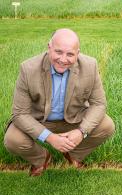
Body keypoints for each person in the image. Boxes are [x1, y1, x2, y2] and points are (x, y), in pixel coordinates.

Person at [4, 28, 115, 176]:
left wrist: (81, 132)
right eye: (58, 52)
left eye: (70, 54)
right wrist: (49, 137)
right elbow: (19, 113)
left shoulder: (90, 65)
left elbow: (99, 104)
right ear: (49, 47)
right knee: (12, 139)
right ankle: (41, 159)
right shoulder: (28, 69)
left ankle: (73, 155)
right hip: (41, 120)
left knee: (107, 126)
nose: (63, 59)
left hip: (74, 119)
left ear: (78, 53)